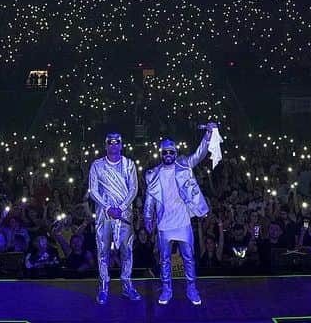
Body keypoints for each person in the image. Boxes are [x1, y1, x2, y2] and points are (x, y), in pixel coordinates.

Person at [144, 123, 215, 305]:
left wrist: (207, 135)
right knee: (164, 259)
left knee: (188, 257)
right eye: (165, 152)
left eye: (171, 152)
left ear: (175, 153)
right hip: (164, 223)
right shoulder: (153, 174)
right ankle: (167, 289)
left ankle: (191, 288)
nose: (168, 155)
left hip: (183, 221)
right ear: (161, 154)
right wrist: (147, 216)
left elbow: (199, 154)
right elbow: (150, 197)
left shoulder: (184, 165)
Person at [86, 132, 141, 304]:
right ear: (106, 145)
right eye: (110, 142)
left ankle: (127, 286)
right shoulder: (97, 165)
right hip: (104, 215)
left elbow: (134, 189)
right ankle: (103, 286)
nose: (114, 144)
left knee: (127, 251)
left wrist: (121, 208)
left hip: (124, 215)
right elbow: (93, 190)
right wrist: (109, 207)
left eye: (117, 142)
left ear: (122, 145)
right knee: (103, 252)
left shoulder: (129, 164)